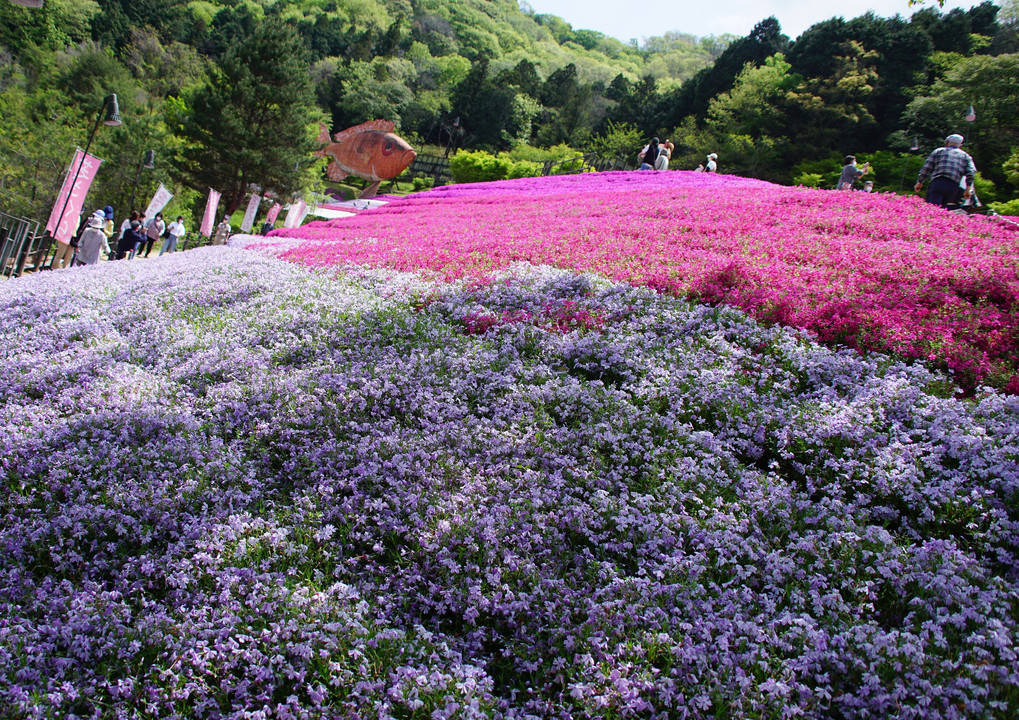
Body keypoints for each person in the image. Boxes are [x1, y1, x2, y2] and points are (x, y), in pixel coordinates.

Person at [914, 133, 977, 208]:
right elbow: (971, 172)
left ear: (946, 143)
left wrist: (920, 181)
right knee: (942, 208)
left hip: (938, 182)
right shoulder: (966, 156)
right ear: (960, 146)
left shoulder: (938, 151)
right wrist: (968, 188)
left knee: (933, 207)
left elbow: (927, 167)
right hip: (953, 186)